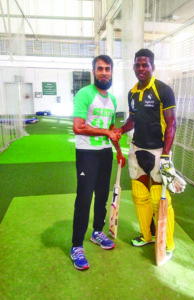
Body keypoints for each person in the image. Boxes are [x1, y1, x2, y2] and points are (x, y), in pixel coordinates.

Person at [115, 48, 186, 260]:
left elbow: (171, 124)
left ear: (152, 67)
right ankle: (147, 235)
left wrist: (166, 155)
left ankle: (168, 243)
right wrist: (120, 130)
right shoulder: (132, 93)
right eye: (137, 65)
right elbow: (133, 120)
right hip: (137, 150)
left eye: (145, 65)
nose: (141, 68)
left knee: (159, 200)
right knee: (139, 196)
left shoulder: (163, 90)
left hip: (158, 152)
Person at [71, 54, 126, 270]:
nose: (104, 72)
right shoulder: (85, 94)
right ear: (94, 71)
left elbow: (112, 131)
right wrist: (104, 131)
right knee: (84, 198)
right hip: (87, 153)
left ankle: (97, 232)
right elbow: (78, 126)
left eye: (108, 69)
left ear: (112, 72)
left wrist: (119, 152)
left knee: (102, 197)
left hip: (105, 154)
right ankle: (76, 245)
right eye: (100, 69)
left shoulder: (112, 100)